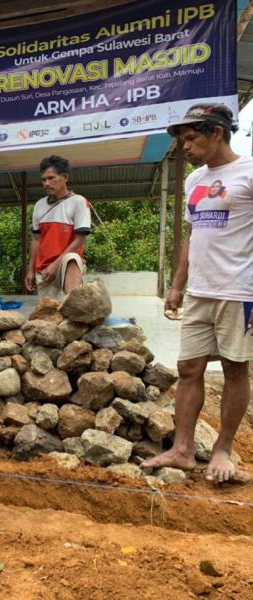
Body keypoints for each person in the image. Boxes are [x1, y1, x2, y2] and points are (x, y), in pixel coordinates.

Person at [141, 103, 252, 484]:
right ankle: (183, 449)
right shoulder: (194, 181)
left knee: (237, 369)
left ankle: (222, 448)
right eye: (182, 140)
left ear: (217, 133)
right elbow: (192, 235)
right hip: (200, 291)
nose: (184, 147)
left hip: (240, 291)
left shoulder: (249, 172)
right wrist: (176, 285)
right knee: (189, 368)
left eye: (191, 138)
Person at [24, 155, 91, 297]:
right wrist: (30, 271)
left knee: (71, 259)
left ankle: (76, 310)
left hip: (65, 264)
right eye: (43, 179)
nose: (46, 183)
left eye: (51, 178)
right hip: (43, 270)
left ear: (65, 177)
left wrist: (55, 265)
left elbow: (79, 240)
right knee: (49, 315)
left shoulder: (78, 202)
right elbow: (36, 240)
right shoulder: (39, 205)